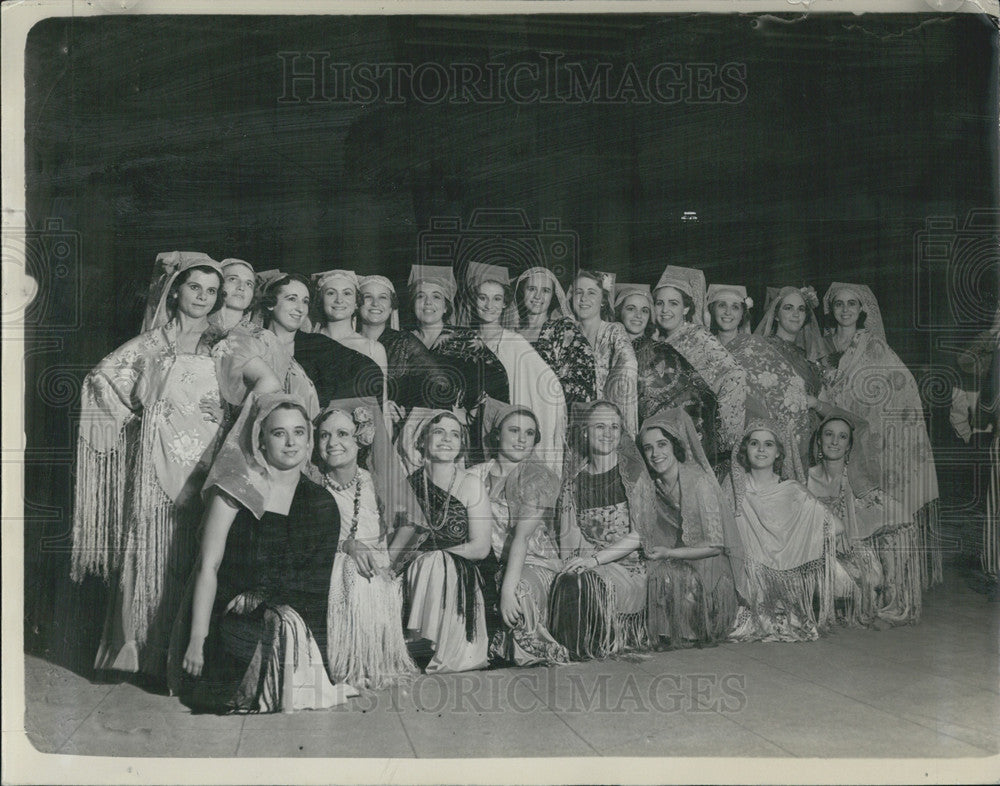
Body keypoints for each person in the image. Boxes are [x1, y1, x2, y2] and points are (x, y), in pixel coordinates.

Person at [72, 252, 228, 679]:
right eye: (195, 287)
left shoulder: (223, 343)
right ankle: (139, 653)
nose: (203, 297)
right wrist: (138, 418)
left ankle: (184, 657)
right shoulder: (148, 345)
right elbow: (100, 381)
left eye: (212, 291)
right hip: (156, 462)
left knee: (198, 553)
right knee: (149, 550)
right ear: (175, 290)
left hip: (209, 461)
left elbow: (246, 393)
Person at [172, 394, 357, 712]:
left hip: (286, 612)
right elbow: (208, 567)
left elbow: (312, 586)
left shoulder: (321, 502)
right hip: (227, 609)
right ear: (260, 439)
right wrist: (196, 640)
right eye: (278, 433)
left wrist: (263, 598)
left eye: (299, 432)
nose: (290, 443)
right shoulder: (233, 491)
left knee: (278, 622)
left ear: (309, 440)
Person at [819, 282, 941, 607]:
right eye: (839, 304)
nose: (845, 310)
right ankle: (843, 589)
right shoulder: (823, 344)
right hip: (830, 438)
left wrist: (875, 424)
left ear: (862, 310)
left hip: (865, 444)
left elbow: (902, 387)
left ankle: (876, 588)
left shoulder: (873, 347)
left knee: (871, 513)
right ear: (831, 308)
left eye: (852, 304)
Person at [314, 400, 417, 689]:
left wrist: (388, 565)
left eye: (342, 434)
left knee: (366, 575)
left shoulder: (374, 482)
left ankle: (369, 659)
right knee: (349, 569)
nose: (333, 442)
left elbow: (409, 523)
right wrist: (347, 546)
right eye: (324, 435)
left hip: (376, 565)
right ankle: (346, 663)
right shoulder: (315, 485)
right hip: (330, 561)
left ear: (361, 439)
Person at [726, 421, 847, 643]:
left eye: (768, 444)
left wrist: (796, 544)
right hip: (744, 575)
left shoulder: (791, 490)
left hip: (784, 581)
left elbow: (837, 527)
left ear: (778, 452)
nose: (761, 449)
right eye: (754, 443)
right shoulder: (734, 486)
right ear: (745, 449)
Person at [469, 401, 569, 666]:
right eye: (514, 430)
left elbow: (522, 538)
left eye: (529, 433)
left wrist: (507, 590)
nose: (521, 439)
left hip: (533, 562)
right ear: (497, 434)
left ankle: (527, 651)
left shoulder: (537, 476)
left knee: (518, 592)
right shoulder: (474, 475)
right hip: (486, 561)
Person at [549, 401, 651, 659]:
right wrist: (573, 563)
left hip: (628, 567)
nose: (608, 433)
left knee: (586, 583)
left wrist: (594, 561)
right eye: (600, 427)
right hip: (589, 561)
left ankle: (595, 647)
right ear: (584, 431)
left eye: (614, 427)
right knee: (567, 579)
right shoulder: (575, 480)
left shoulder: (633, 473)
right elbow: (569, 535)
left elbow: (640, 535)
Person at [396, 410, 494, 673]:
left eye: (455, 434)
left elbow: (481, 548)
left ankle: (430, 644)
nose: (446, 439)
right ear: (422, 440)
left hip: (462, 569)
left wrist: (434, 557)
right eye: (438, 432)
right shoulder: (409, 484)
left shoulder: (472, 484)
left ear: (462, 444)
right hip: (415, 570)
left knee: (436, 563)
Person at [637, 408, 739, 649]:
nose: (655, 454)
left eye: (662, 444)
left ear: (675, 446)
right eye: (648, 448)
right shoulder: (654, 484)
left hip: (709, 569)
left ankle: (692, 627)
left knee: (669, 573)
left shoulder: (700, 481)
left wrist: (669, 554)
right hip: (679, 559)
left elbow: (715, 546)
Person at [396, 265, 509, 471]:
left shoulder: (465, 339)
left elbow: (498, 383)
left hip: (452, 440)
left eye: (437, 297)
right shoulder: (402, 340)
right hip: (406, 440)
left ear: (447, 306)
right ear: (413, 302)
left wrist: (470, 414)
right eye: (421, 296)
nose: (428, 303)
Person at [636, 266, 745, 470]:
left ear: (686, 309)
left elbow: (735, 375)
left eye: (673, 303)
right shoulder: (653, 342)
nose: (665, 310)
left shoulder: (698, 337)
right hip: (659, 441)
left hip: (696, 437)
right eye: (660, 303)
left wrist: (723, 435)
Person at [707, 282, 817, 479]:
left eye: (735, 307)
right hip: (711, 437)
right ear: (711, 310)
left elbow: (790, 391)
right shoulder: (703, 347)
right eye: (721, 305)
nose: (728, 313)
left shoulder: (756, 346)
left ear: (743, 313)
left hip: (752, 441)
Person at [465, 268, 567, 475]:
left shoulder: (515, 343)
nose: (489, 305)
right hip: (468, 429)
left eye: (496, 299)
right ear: (474, 302)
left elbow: (551, 387)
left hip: (501, 431)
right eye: (483, 298)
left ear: (505, 303)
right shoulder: (464, 340)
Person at [807, 413, 888, 626]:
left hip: (849, 547)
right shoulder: (804, 479)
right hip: (814, 549)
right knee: (836, 579)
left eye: (842, 437)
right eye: (829, 435)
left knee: (873, 577)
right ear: (818, 440)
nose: (834, 442)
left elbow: (862, 424)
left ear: (849, 446)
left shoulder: (854, 479)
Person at [212, 272, 319, 418]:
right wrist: (231, 417)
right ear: (270, 304)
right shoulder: (251, 340)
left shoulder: (318, 346)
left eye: (305, 301)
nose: (300, 308)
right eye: (292, 299)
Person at [753, 285, 829, 470]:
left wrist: (815, 403)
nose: (796, 314)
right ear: (776, 314)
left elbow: (825, 406)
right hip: (773, 444)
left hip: (808, 445)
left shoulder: (809, 361)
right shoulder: (761, 351)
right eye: (788, 308)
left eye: (801, 309)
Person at [356, 274, 443, 429]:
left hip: (391, 430)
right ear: (357, 304)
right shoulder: (347, 341)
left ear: (391, 307)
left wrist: (407, 412)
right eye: (368, 297)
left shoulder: (404, 342)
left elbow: (439, 386)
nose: (375, 303)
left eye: (383, 298)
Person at [512, 266, 597, 407]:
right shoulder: (511, 332)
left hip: (549, 411)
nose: (538, 296)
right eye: (531, 289)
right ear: (522, 291)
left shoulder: (564, 330)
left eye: (545, 290)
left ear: (553, 296)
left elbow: (583, 381)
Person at [311, 269, 390, 413]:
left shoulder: (373, 349)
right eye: (331, 293)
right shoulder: (307, 342)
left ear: (356, 303)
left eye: (347, 293)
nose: (339, 300)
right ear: (320, 300)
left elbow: (381, 407)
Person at [570, 270, 638, 434]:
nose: (584, 298)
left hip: (605, 422)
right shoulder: (567, 333)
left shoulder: (614, 330)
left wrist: (607, 404)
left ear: (603, 301)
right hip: (574, 421)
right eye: (579, 292)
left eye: (591, 292)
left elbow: (629, 363)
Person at [208, 258, 256, 333]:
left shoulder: (264, 339)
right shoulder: (194, 329)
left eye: (249, 284)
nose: (241, 287)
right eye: (233, 279)